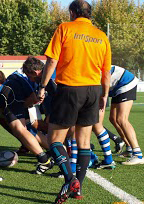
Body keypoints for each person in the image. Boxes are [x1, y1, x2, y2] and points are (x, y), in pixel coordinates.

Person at [38, 0, 112, 203]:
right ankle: (77, 188)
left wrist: (43, 86)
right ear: (90, 14)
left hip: (70, 88)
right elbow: (106, 71)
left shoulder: (65, 28)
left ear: (72, 12)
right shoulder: (101, 36)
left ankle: (70, 180)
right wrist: (104, 94)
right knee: (84, 142)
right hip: (93, 90)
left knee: (54, 140)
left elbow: (52, 60)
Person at [0, 56, 54, 174]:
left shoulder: (21, 79)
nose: (30, 78)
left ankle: (54, 156)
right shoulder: (24, 78)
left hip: (59, 101)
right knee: (29, 127)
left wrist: (25, 105)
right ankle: (55, 153)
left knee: (39, 127)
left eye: (30, 76)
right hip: (29, 101)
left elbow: (33, 98)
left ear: (34, 72)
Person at [108, 65, 143, 165]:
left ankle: (138, 154)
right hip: (116, 86)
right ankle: (129, 148)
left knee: (121, 119)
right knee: (113, 118)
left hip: (126, 82)